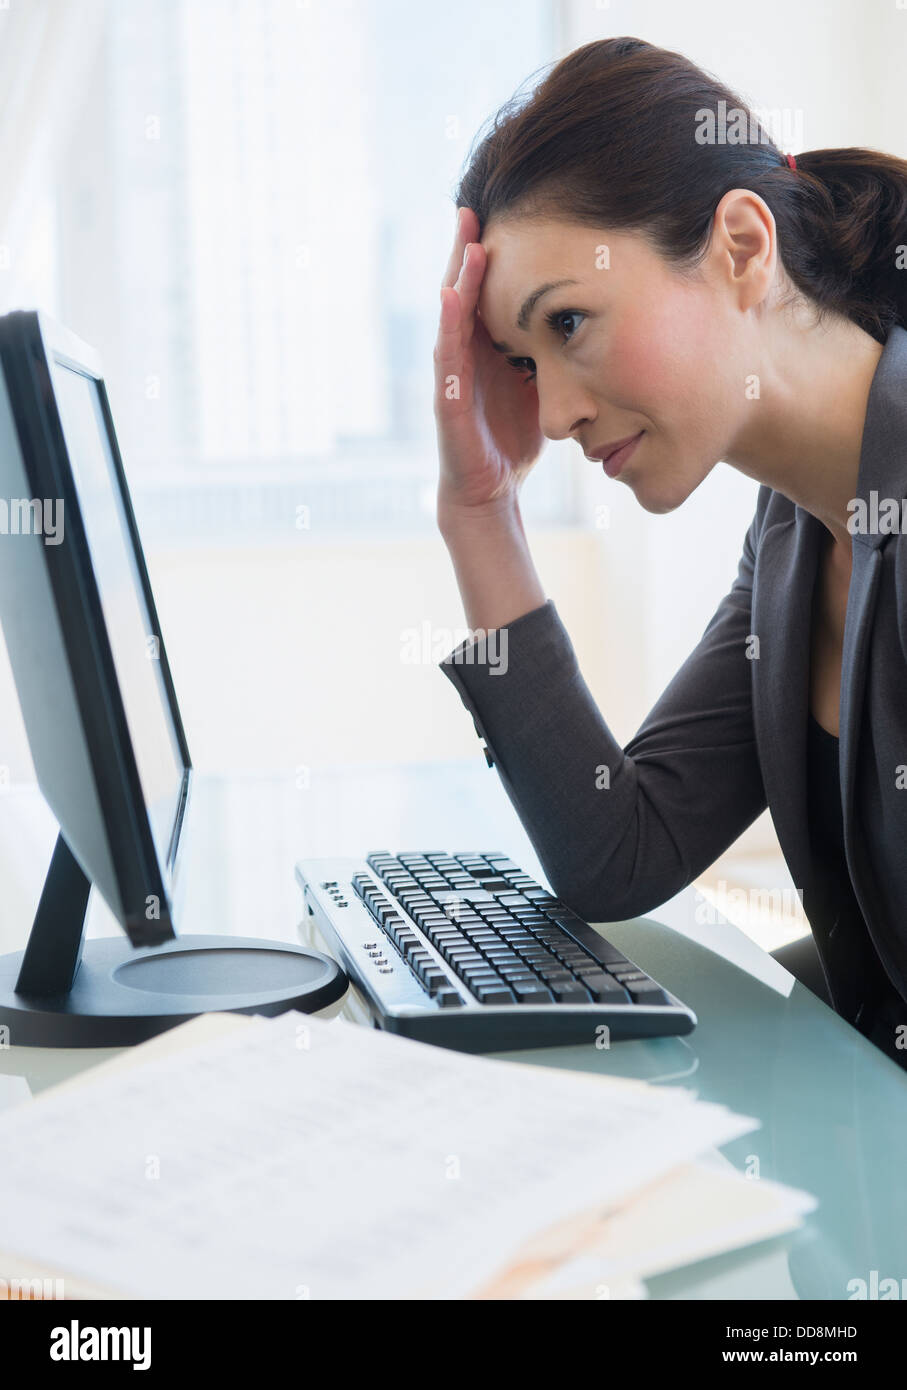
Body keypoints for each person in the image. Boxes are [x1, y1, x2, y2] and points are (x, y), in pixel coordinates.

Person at [432, 36, 907, 1071]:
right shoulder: (790, 535)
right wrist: (480, 509)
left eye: (568, 322)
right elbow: (618, 851)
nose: (550, 413)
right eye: (520, 362)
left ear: (742, 246)